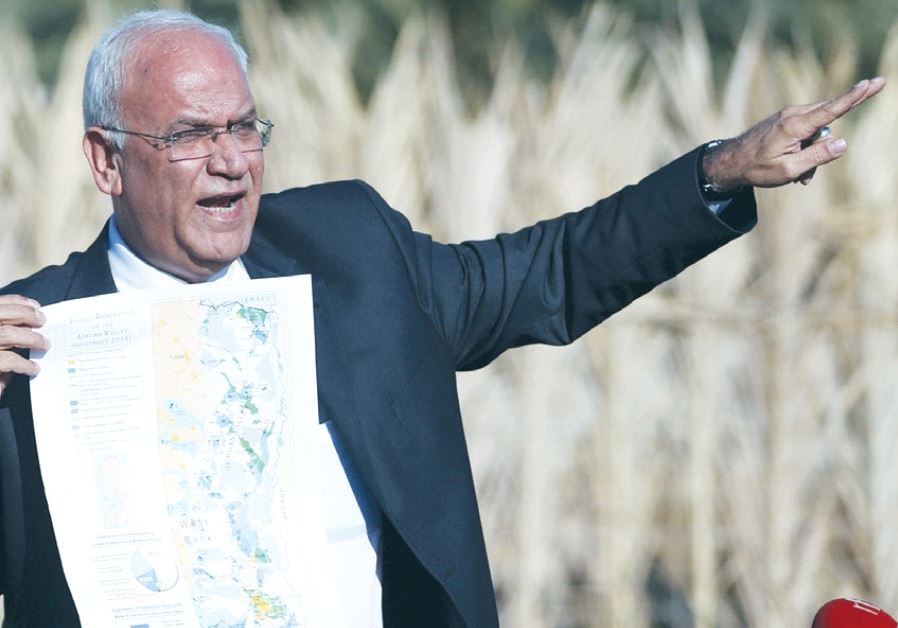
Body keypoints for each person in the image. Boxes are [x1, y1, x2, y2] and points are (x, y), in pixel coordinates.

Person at [0, 9, 884, 628]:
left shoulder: (352, 254)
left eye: (243, 128)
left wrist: (718, 173)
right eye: (192, 136)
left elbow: (549, 272)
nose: (231, 161)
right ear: (106, 161)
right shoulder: (31, 341)